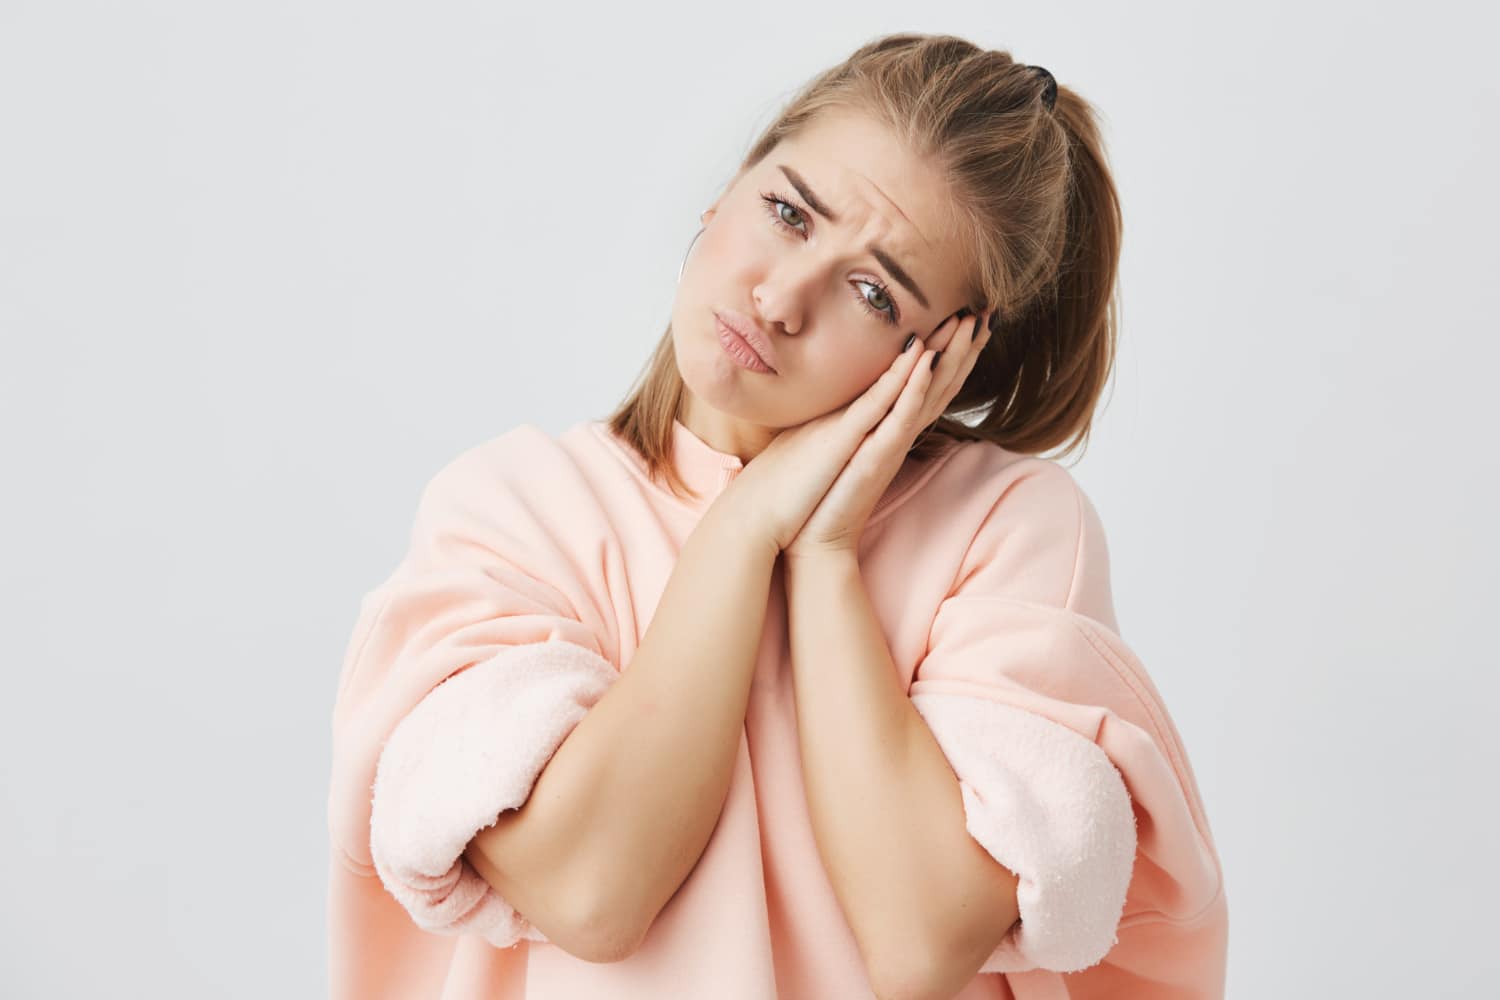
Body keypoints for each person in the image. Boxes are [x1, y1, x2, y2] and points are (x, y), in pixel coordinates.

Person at [326, 31, 1228, 999]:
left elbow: (921, 939)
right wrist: (746, 525)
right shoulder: (514, 508)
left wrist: (826, 555)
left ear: (943, 359)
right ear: (728, 189)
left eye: (874, 293)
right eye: (789, 213)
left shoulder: (1004, 529)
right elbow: (590, 890)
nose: (781, 298)